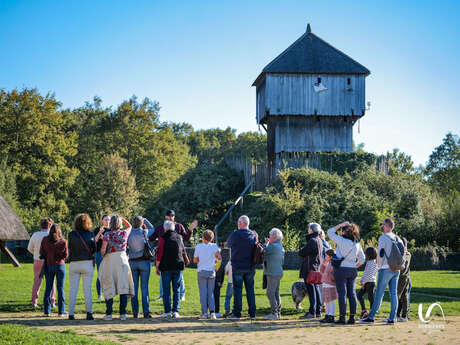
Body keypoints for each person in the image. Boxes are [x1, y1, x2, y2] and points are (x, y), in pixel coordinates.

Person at [361, 218, 405, 325]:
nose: (382, 226)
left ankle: (371, 317)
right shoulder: (397, 238)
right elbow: (403, 252)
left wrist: (379, 267)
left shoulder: (383, 237)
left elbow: (380, 254)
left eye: (383, 225)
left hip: (385, 268)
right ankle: (392, 318)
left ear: (387, 226)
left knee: (379, 294)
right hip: (396, 268)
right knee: (393, 293)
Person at [149, 210, 197, 302]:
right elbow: (152, 238)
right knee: (163, 278)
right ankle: (162, 296)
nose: (171, 217)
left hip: (177, 255)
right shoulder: (160, 227)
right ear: (165, 216)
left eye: (172, 216)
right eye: (169, 216)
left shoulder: (178, 226)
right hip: (164, 255)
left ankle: (181, 295)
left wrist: (190, 230)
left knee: (180, 277)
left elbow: (186, 238)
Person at [327, 221, 365, 324]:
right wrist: (354, 265)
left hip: (341, 270)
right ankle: (352, 317)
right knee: (352, 293)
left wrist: (340, 224)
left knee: (342, 294)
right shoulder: (357, 244)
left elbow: (329, 232)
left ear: (343, 232)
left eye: (341, 230)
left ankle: (342, 317)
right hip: (352, 270)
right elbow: (362, 259)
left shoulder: (341, 241)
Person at [98, 215, 134, 321]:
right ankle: (122, 314)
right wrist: (122, 219)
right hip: (122, 259)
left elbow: (103, 249)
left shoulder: (107, 234)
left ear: (111, 223)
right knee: (123, 286)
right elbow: (130, 226)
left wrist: (105, 257)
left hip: (110, 259)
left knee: (109, 285)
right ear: (119, 223)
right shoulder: (124, 233)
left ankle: (109, 314)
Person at [225, 215, 257, 320]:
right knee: (250, 291)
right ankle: (253, 314)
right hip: (250, 267)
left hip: (238, 266)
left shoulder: (235, 234)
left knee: (238, 291)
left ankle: (237, 314)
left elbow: (227, 244)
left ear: (240, 223)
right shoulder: (253, 235)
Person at [68, 214, 96, 320]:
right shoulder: (90, 234)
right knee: (87, 289)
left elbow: (70, 247)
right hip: (87, 263)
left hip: (74, 263)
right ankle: (89, 313)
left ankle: (71, 314)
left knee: (73, 290)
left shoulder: (71, 234)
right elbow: (94, 248)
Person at [156, 220, 186, 318]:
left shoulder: (163, 238)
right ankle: (176, 311)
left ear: (165, 228)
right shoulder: (179, 237)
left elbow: (159, 253)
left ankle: (167, 311)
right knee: (176, 289)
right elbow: (182, 250)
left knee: (166, 290)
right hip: (177, 265)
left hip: (166, 266)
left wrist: (157, 266)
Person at [128, 216, 154, 318]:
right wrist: (145, 219)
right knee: (144, 287)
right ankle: (146, 311)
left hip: (132, 262)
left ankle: (135, 312)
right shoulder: (145, 232)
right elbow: (153, 228)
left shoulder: (128, 232)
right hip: (144, 261)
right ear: (141, 223)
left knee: (134, 288)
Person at [39, 223, 68, 317]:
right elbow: (66, 255)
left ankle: (47, 311)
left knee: (48, 288)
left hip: (49, 265)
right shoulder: (63, 241)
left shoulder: (45, 240)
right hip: (60, 265)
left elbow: (41, 252)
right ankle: (61, 311)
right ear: (59, 231)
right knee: (60, 288)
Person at [27, 218, 56, 308]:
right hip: (50, 260)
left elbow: (29, 248)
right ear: (50, 225)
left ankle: (34, 302)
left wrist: (35, 253)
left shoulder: (35, 235)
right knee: (51, 281)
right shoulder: (51, 235)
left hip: (37, 260)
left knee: (36, 281)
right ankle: (52, 301)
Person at [193, 229, 221, 319]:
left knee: (203, 293)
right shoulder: (214, 246)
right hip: (211, 272)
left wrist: (201, 260)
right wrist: (216, 267)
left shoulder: (198, 246)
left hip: (201, 271)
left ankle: (204, 313)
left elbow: (195, 260)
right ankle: (212, 312)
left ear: (203, 238)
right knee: (210, 293)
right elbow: (219, 258)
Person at [299, 222, 323, 319]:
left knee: (311, 290)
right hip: (316, 267)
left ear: (311, 230)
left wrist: (301, 249)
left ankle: (312, 312)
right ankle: (318, 311)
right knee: (316, 290)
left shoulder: (312, 240)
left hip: (309, 268)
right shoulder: (319, 240)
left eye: (309, 228)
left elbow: (302, 252)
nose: (307, 230)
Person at [263, 228, 285, 320]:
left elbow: (263, 250)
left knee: (270, 293)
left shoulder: (272, 246)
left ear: (275, 237)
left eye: (270, 235)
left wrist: (266, 243)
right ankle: (278, 312)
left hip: (272, 272)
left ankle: (274, 313)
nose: (269, 236)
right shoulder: (280, 246)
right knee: (276, 293)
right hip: (278, 271)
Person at [93, 214, 111, 300]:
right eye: (106, 220)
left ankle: (108, 293)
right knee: (100, 274)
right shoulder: (97, 229)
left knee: (108, 274)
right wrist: (99, 232)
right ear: (102, 220)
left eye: (109, 220)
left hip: (109, 254)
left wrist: (105, 239)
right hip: (99, 254)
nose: (107, 221)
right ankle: (99, 295)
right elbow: (94, 241)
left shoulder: (111, 230)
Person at [357, 247, 378, 319]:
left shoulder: (374, 263)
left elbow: (369, 275)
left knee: (370, 298)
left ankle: (372, 314)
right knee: (359, 295)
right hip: (366, 282)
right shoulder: (368, 262)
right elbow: (365, 273)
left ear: (369, 255)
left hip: (371, 283)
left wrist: (363, 282)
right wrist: (362, 281)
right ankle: (364, 311)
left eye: (366, 254)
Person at [319, 249, 338, 323]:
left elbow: (334, 276)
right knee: (327, 301)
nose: (325, 257)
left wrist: (329, 275)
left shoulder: (333, 265)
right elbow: (321, 271)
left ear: (331, 257)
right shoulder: (328, 264)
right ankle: (327, 315)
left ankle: (331, 316)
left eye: (326, 256)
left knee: (331, 301)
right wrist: (323, 263)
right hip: (326, 284)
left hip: (331, 285)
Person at [396, 237, 412, 322]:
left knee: (397, 295)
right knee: (404, 296)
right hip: (406, 277)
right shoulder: (408, 254)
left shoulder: (404, 254)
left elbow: (401, 266)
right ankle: (404, 315)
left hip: (401, 277)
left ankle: (395, 314)